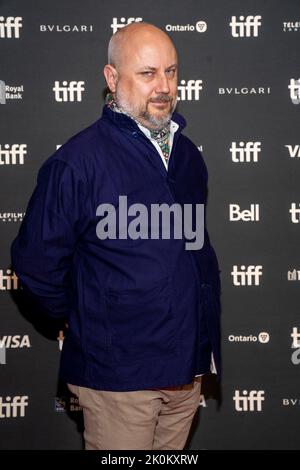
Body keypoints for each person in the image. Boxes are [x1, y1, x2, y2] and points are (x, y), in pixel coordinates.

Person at [11, 22, 221, 450]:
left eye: (171, 71)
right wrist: (86, 318)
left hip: (186, 371)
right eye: (147, 73)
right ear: (111, 78)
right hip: (120, 377)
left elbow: (191, 252)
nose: (163, 86)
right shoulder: (77, 162)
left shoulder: (187, 157)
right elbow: (36, 263)